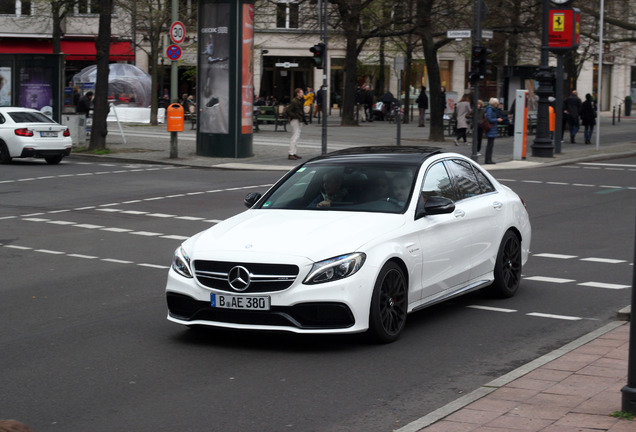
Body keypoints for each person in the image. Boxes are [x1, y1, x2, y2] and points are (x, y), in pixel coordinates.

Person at [284, 88, 305, 160]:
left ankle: (293, 152)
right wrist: (295, 116)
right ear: (298, 94)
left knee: (296, 136)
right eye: (301, 92)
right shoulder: (294, 101)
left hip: (298, 119)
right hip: (295, 120)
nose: (302, 94)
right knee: (294, 136)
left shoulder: (300, 100)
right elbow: (288, 110)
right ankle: (291, 153)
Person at [484, 97, 503, 164]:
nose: (497, 105)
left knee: (490, 145)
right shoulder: (490, 109)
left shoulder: (491, 109)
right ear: (494, 103)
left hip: (492, 128)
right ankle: (488, 159)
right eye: (496, 103)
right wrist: (497, 120)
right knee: (490, 145)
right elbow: (489, 119)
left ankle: (489, 159)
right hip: (491, 128)